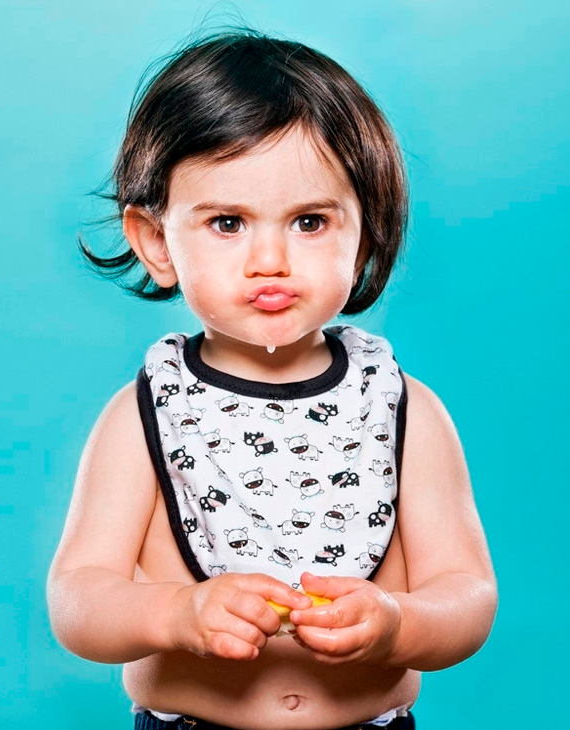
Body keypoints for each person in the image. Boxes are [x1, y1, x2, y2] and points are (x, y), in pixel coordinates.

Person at [47, 30, 497, 730]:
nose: (269, 260)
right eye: (227, 222)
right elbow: (78, 601)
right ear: (157, 242)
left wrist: (394, 622)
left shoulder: (402, 407)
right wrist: (176, 611)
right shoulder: (145, 413)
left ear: (367, 235)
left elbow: (465, 596)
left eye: (309, 222)